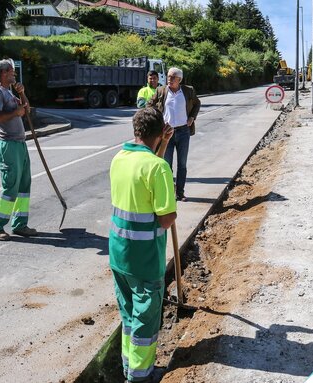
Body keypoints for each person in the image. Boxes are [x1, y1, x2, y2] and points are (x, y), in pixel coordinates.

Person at [109, 107, 177, 383]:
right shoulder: (158, 168)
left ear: (135, 130)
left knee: (128, 315)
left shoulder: (120, 157)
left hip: (119, 254)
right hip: (145, 259)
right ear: (160, 133)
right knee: (146, 320)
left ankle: (129, 366)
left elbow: (144, 172)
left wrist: (163, 144)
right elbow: (166, 219)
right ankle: (140, 376)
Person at [0, 59, 38, 241]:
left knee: (24, 185)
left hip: (20, 144)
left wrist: (22, 94)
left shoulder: (9, 92)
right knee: (11, 187)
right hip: (8, 145)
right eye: (11, 71)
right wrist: (15, 113)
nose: (14, 74)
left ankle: (20, 224)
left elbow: (26, 110)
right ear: (3, 73)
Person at [148, 67, 200, 202]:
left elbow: (197, 104)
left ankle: (180, 193)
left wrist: (192, 117)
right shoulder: (161, 91)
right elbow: (149, 106)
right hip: (166, 133)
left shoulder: (188, 91)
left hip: (183, 131)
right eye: (168, 76)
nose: (169, 79)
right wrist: (157, 122)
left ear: (179, 80)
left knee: (182, 164)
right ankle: (170, 192)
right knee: (167, 165)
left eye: (172, 77)